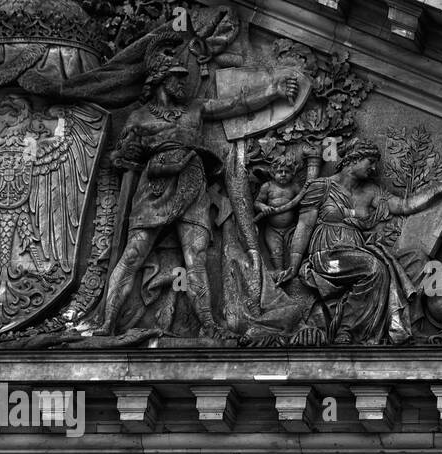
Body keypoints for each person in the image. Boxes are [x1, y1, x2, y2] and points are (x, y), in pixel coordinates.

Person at [82, 42, 298, 338]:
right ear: (159, 80)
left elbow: (236, 104)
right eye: (177, 77)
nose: (184, 82)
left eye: (184, 77)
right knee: (133, 255)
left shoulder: (194, 109)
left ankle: (209, 326)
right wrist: (132, 152)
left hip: (193, 183)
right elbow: (121, 158)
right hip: (155, 188)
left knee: (195, 257)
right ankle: (107, 323)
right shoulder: (139, 118)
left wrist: (273, 90)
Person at [274, 140, 442, 345]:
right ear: (353, 160)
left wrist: (439, 190)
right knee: (373, 266)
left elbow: (404, 205)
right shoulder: (321, 187)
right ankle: (347, 329)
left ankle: (386, 327)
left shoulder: (371, 192)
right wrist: (293, 266)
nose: (373, 168)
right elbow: (304, 227)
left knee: (416, 260)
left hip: (358, 252)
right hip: (327, 256)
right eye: (370, 162)